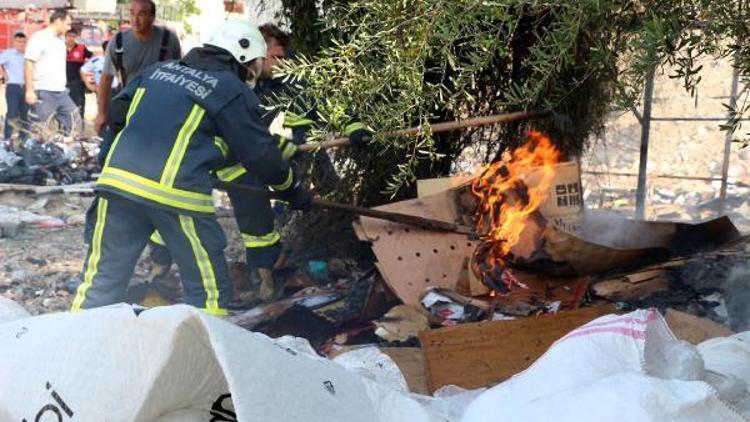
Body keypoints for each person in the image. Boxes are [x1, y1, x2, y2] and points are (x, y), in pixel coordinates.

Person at [70, 18, 312, 315]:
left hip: (116, 186)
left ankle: (73, 353)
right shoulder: (231, 89)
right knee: (208, 291)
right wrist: (293, 190)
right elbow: (260, 154)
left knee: (99, 282)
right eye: (255, 63)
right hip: (177, 195)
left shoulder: (157, 72)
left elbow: (117, 117)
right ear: (243, 56)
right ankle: (202, 359)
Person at [149, 24, 371, 302]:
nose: (281, 64)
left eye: (283, 57)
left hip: (278, 160)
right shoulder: (234, 82)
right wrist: (272, 147)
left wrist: (354, 126)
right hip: (223, 158)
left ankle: (265, 275)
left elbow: (326, 104)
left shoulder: (293, 82)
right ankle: (159, 267)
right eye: (274, 57)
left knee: (267, 214)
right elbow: (237, 131)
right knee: (180, 203)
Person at [93, 0, 181, 134]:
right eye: (132, 13)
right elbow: (106, 79)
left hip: (160, 108)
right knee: (110, 150)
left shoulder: (169, 40)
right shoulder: (118, 42)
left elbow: (179, 75)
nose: (135, 19)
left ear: (152, 17)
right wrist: (101, 114)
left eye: (141, 14)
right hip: (128, 106)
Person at [24, 9, 77, 136]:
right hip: (44, 91)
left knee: (75, 124)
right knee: (39, 132)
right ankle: (33, 155)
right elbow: (28, 63)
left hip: (62, 92)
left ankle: (65, 154)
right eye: (67, 24)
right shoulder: (40, 37)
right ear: (59, 21)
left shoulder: (60, 40)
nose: (69, 28)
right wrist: (29, 90)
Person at [0, 32, 28, 146]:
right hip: (13, 87)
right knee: (12, 112)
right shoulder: (8, 54)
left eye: (23, 41)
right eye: (19, 41)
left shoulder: (29, 54)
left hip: (27, 87)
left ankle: (24, 139)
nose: (21, 44)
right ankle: (7, 138)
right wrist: (3, 74)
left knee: (25, 114)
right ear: (14, 42)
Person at [65, 29, 93, 121]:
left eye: (73, 36)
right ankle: (63, 130)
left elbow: (93, 58)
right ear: (65, 37)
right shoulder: (59, 48)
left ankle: (79, 129)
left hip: (77, 83)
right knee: (63, 108)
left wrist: (87, 68)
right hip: (61, 83)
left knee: (78, 106)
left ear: (76, 37)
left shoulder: (81, 48)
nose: (71, 38)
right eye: (69, 36)